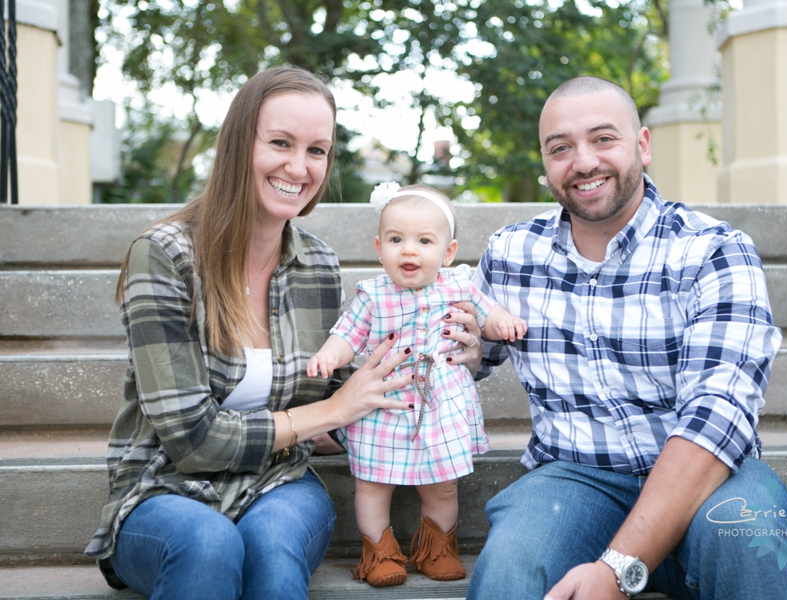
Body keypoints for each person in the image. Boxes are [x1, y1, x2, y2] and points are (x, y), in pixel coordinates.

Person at [82, 67, 485, 600]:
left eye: (317, 150)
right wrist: (328, 413)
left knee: (272, 549)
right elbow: (192, 441)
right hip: (163, 486)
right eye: (280, 143)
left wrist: (461, 358)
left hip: (278, 483)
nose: (299, 166)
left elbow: (359, 383)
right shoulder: (164, 256)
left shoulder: (316, 262)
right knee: (210, 545)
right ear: (237, 145)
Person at [466, 76, 787, 600]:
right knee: (511, 570)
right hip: (572, 479)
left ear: (643, 145)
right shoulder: (511, 254)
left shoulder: (713, 251)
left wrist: (616, 569)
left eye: (603, 139)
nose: (583, 161)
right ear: (544, 163)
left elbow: (716, 416)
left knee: (751, 544)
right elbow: (462, 352)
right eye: (560, 148)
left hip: (712, 477)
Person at [307, 182, 527, 587]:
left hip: (441, 408)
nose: (409, 250)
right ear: (378, 248)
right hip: (382, 407)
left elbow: (488, 312)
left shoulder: (458, 286)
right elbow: (347, 336)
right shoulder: (373, 296)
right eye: (396, 239)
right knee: (373, 487)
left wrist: (502, 323)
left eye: (423, 241)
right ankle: (378, 553)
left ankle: (437, 549)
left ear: (447, 252)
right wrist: (329, 355)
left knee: (442, 488)